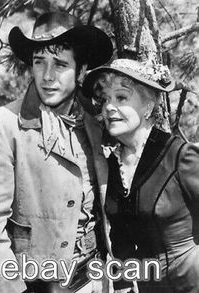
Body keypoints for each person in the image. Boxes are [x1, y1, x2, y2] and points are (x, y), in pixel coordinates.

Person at [0, 12, 113, 293]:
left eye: (60, 64)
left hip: (99, 278)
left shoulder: (98, 122)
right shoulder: (2, 127)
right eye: (39, 62)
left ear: (81, 69)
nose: (47, 76)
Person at [82, 58, 199, 293]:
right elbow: (121, 237)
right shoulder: (115, 162)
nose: (108, 107)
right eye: (104, 99)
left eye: (121, 98)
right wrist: (123, 284)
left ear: (148, 106)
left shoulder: (180, 157)